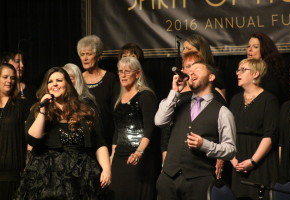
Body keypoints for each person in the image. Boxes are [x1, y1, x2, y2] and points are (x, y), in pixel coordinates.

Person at [14, 67, 111, 199]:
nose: (54, 84)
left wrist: (106, 169)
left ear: (68, 84)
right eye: (50, 81)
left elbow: (100, 142)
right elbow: (32, 139)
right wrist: (44, 110)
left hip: (80, 174)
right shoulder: (39, 109)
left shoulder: (85, 110)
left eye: (59, 80)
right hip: (49, 176)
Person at [155, 61, 236, 200]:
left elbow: (230, 150)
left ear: (211, 77)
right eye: (190, 71)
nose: (191, 73)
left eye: (197, 69)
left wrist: (205, 145)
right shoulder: (177, 101)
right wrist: (174, 91)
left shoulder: (223, 112)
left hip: (199, 182)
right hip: (168, 179)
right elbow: (159, 121)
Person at [109, 57, 160, 200]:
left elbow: (150, 129)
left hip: (139, 156)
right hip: (120, 155)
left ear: (137, 74)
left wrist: (139, 152)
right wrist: (112, 156)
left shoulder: (145, 95)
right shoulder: (118, 98)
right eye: (120, 71)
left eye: (127, 71)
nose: (123, 75)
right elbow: (117, 130)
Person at [230, 58, 279, 200]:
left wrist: (253, 161)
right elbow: (228, 132)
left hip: (260, 162)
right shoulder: (235, 99)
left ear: (255, 74)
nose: (238, 73)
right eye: (237, 70)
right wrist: (233, 159)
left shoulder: (269, 100)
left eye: (243, 70)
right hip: (237, 162)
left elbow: (270, 135)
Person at [77, 35, 118, 151]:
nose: (85, 58)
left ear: (98, 56)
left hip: (107, 134)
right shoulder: (78, 79)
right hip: (84, 136)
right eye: (82, 54)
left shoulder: (110, 78)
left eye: (89, 54)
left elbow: (115, 109)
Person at [0, 63, 29, 200]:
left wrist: (27, 162)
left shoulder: (21, 105)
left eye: (12, 78)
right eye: (5, 77)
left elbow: (28, 137)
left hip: (13, 172)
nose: (9, 81)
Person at [246, 32, 290, 104]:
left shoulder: (270, 72)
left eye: (255, 47)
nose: (250, 49)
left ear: (264, 49)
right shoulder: (247, 70)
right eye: (248, 46)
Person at [182, 34, 226, 98]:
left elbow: (221, 100)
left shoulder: (215, 73)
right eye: (183, 48)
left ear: (200, 51)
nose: (184, 52)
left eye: (188, 49)